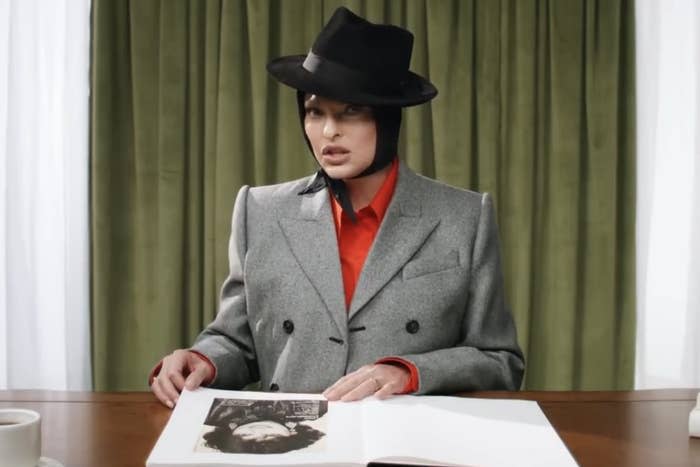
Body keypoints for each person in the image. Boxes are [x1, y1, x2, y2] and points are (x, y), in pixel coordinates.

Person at [150, 6, 524, 409]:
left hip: (404, 443)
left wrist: (407, 373)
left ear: (387, 120)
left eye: (351, 111)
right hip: (290, 440)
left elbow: (500, 361)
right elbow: (237, 341)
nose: (329, 131)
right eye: (315, 111)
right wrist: (202, 359)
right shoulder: (258, 211)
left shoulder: (463, 217)